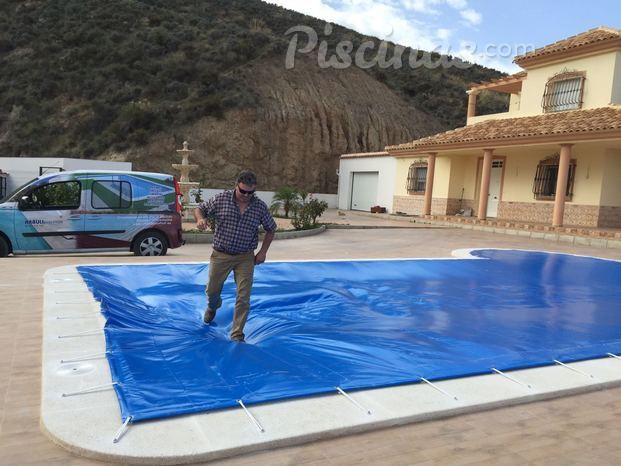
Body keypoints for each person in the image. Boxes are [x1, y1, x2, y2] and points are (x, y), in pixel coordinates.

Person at [194, 170, 277, 342]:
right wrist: (200, 219)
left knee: (244, 296)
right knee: (212, 290)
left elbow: (271, 228)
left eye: (250, 192)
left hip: (245, 257)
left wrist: (263, 252)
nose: (246, 195)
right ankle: (212, 306)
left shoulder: (259, 206)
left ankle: (237, 334)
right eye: (243, 191)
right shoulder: (221, 199)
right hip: (220, 255)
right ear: (236, 186)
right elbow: (200, 209)